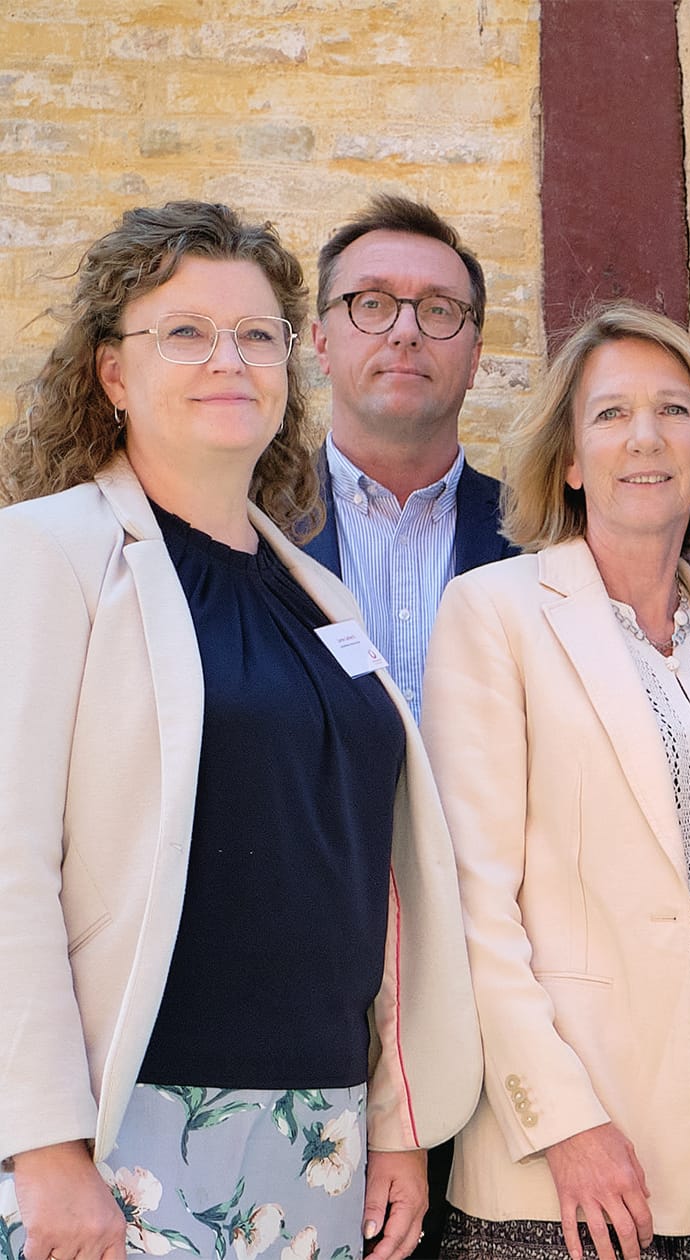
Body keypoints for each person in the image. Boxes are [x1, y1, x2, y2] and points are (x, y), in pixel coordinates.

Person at [0, 201, 478, 1260]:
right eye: (184, 332)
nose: (231, 359)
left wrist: (393, 1121)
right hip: (128, 1130)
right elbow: (8, 865)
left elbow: (372, 875)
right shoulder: (49, 556)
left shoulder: (318, 598)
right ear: (112, 373)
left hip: (319, 1138)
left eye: (257, 334)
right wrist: (41, 1145)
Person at [421, 302, 690, 1260]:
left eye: (675, 410)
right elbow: (472, 903)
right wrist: (565, 1123)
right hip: (570, 1141)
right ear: (571, 458)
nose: (646, 438)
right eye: (611, 414)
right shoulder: (495, 614)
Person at [304, 194, 517, 720]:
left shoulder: (539, 535)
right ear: (322, 344)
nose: (405, 332)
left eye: (439, 309)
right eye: (371, 303)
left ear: (474, 359)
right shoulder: (252, 524)